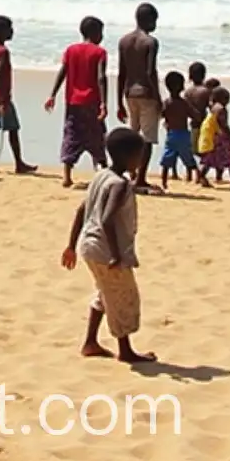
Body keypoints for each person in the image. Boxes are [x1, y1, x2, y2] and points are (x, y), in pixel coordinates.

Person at [61, 127, 156, 364]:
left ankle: (90, 342)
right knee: (123, 297)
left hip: (89, 246)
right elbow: (107, 219)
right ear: (127, 156)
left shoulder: (100, 176)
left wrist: (71, 245)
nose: (141, 160)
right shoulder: (119, 184)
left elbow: (82, 209)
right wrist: (115, 255)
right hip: (106, 251)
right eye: (139, 155)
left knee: (105, 293)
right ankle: (125, 351)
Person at [45, 16, 108, 187]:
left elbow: (62, 72)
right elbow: (101, 77)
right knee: (97, 136)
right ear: (95, 33)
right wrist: (104, 103)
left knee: (71, 134)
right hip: (92, 101)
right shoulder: (100, 52)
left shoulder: (71, 50)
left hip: (73, 102)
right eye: (101, 32)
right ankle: (102, 171)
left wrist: (52, 94)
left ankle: (66, 175)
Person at [0, 16, 36, 174]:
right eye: (9, 28)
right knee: (13, 128)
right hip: (0, 97)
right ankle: (19, 163)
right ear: (2, 31)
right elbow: (1, 76)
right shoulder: (3, 52)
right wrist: (3, 100)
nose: (12, 31)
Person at [117, 3, 161, 191]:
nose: (155, 24)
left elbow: (122, 73)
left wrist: (118, 101)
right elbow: (150, 72)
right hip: (146, 92)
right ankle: (140, 178)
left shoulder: (124, 41)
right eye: (154, 20)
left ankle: (131, 172)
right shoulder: (150, 42)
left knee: (134, 137)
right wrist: (158, 96)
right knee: (148, 139)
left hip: (129, 93)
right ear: (147, 19)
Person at [159, 70, 199, 189]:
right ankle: (196, 176)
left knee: (166, 159)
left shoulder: (166, 103)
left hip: (171, 134)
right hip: (183, 134)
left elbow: (160, 114)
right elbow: (194, 115)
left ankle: (164, 182)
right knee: (188, 156)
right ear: (180, 86)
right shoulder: (184, 103)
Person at [197, 87, 230, 186]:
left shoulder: (213, 108)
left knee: (211, 159)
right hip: (219, 137)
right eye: (227, 98)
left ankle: (203, 175)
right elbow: (224, 126)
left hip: (212, 136)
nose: (228, 101)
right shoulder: (221, 109)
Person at [184, 62, 212, 154]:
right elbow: (211, 107)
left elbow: (186, 109)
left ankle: (195, 167)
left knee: (194, 150)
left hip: (193, 124)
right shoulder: (206, 90)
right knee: (206, 149)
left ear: (190, 76)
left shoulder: (188, 92)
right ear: (204, 75)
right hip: (205, 123)